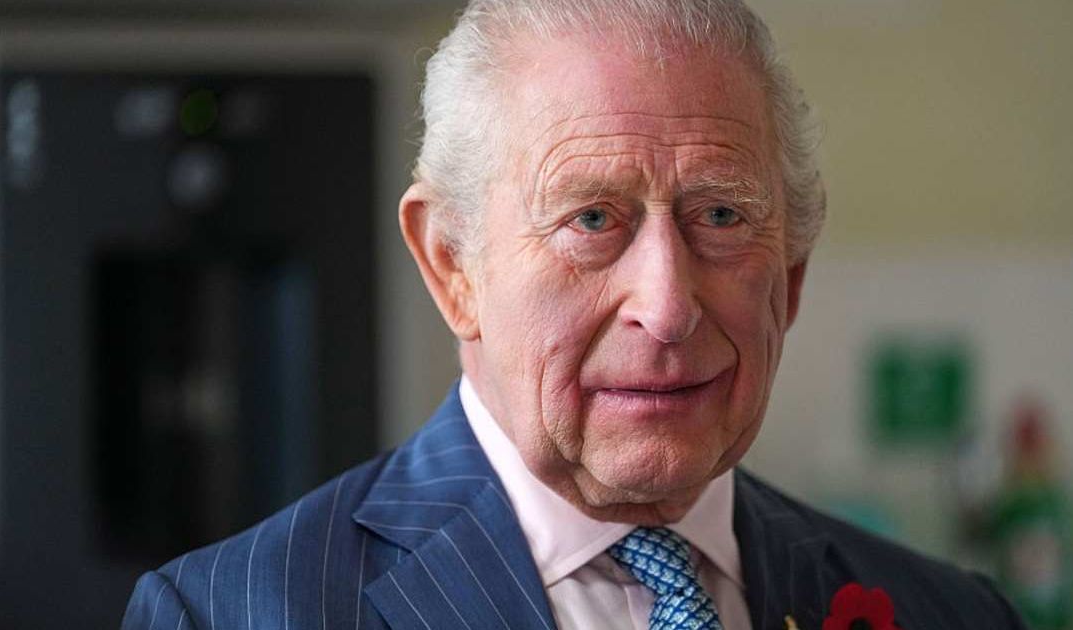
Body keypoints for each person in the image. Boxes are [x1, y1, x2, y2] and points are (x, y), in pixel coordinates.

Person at [123, 1, 1027, 628]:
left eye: (720, 215)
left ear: (790, 273)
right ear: (453, 266)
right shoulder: (230, 614)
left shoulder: (950, 614)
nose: (667, 308)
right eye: (592, 220)